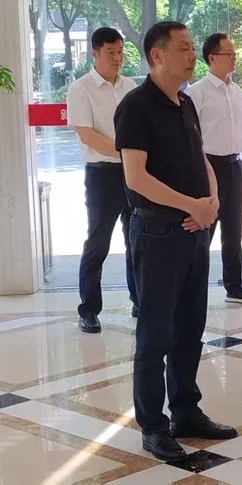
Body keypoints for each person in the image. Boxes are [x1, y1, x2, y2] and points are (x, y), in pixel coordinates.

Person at [114, 21, 236, 461]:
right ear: (157, 55)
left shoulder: (185, 102)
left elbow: (200, 156)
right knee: (155, 335)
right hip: (157, 234)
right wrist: (192, 205)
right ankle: (153, 426)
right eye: (183, 48)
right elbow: (136, 177)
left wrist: (212, 199)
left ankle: (186, 410)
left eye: (192, 48)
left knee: (190, 328)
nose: (192, 56)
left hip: (195, 231)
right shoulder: (136, 106)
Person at [67, 27, 138, 333]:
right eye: (111, 52)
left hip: (133, 173)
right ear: (94, 53)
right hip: (102, 174)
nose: (117, 58)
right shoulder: (80, 89)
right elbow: (87, 135)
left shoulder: (130, 86)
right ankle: (89, 309)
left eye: (120, 52)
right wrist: (126, 153)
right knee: (98, 242)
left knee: (137, 238)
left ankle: (140, 300)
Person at [187, 33, 242, 305]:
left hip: (234, 166)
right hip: (208, 167)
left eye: (234, 54)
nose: (234, 58)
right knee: (204, 230)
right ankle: (191, 288)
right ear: (212, 58)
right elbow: (189, 137)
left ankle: (235, 286)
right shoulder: (196, 93)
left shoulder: (236, 91)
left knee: (234, 228)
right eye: (228, 54)